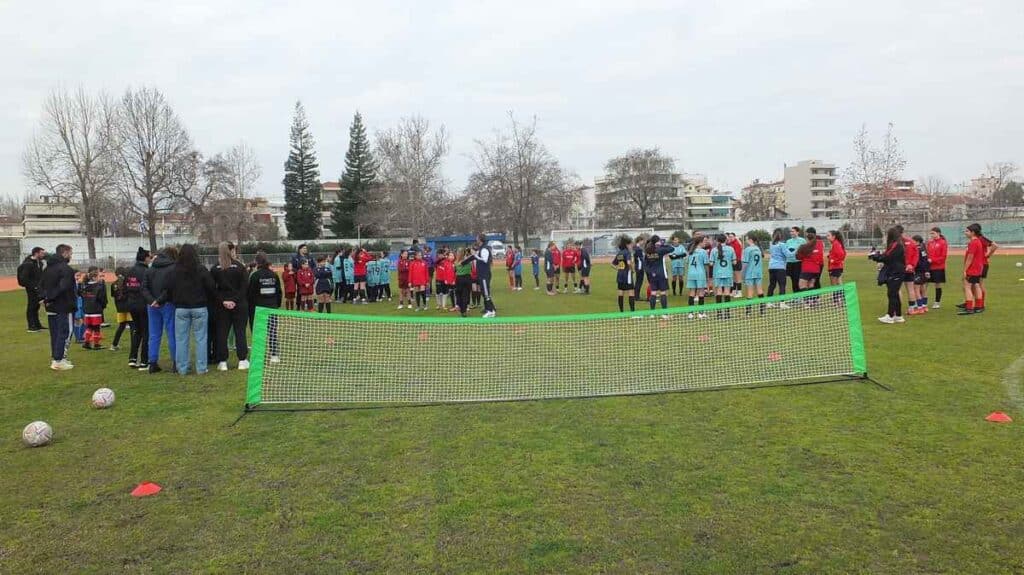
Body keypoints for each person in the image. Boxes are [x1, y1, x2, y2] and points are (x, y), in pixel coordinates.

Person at [162, 244, 218, 375]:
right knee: (201, 338)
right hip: (199, 307)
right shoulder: (201, 269)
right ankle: (201, 367)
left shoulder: (174, 270)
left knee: (181, 339)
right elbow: (211, 286)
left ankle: (182, 367)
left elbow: (167, 288)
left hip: (181, 308)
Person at [210, 241, 249, 371]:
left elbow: (212, 289)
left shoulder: (215, 268)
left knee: (222, 333)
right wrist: (235, 300)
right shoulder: (240, 267)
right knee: (240, 332)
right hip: (239, 305)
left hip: (222, 306)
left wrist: (223, 301)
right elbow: (244, 287)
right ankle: (242, 360)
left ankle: (222, 362)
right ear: (231, 251)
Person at [40, 244, 76, 370]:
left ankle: (57, 357)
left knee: (54, 333)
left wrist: (45, 299)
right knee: (65, 332)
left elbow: (41, 286)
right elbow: (64, 287)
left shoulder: (47, 269)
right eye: (70, 253)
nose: (71, 256)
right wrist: (51, 297)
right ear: (64, 253)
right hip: (64, 305)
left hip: (51, 306)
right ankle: (59, 359)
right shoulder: (66, 269)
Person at [143, 246, 178, 374]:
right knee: (172, 333)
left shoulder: (150, 269)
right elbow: (170, 288)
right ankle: (175, 361)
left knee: (154, 334)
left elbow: (144, 288)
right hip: (168, 303)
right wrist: (160, 300)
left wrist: (152, 301)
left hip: (151, 305)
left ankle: (152, 362)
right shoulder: (173, 268)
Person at [246, 253, 283, 363]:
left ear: (257, 262)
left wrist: (251, 307)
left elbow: (250, 293)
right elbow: (279, 292)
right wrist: (276, 305)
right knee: (272, 331)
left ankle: (259, 354)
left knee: (258, 332)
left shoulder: (255, 276)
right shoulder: (274, 275)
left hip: (258, 308)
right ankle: (274, 355)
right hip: (272, 307)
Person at [869, 227, 906, 324]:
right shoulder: (896, 245)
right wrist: (877, 256)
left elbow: (888, 257)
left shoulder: (896, 245)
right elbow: (887, 255)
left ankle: (890, 315)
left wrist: (876, 257)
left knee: (892, 293)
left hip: (896, 271)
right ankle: (898, 315)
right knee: (895, 293)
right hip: (896, 270)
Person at [124, 247, 152, 370]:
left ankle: (132, 358)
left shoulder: (130, 271)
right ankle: (144, 360)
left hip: (131, 304)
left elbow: (125, 287)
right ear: (145, 258)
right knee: (146, 332)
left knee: (136, 331)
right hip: (143, 304)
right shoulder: (146, 271)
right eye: (150, 257)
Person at [959, 223, 987, 315]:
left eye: (967, 231)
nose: (965, 233)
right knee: (976, 285)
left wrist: (965, 270)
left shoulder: (973, 243)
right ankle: (978, 306)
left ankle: (969, 308)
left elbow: (970, 258)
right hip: (978, 268)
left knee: (967, 286)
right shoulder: (978, 241)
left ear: (973, 232)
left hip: (972, 268)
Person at [17, 246, 46, 332]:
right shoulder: (28, 264)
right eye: (41, 253)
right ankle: (31, 325)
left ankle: (37, 324)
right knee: (32, 306)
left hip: (38, 287)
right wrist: (33, 286)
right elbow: (24, 278)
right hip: (31, 288)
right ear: (36, 253)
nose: (43, 254)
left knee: (36, 306)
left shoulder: (39, 263)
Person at [80, 266, 107, 350]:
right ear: (95, 276)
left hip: (87, 309)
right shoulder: (99, 286)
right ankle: (96, 344)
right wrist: (103, 305)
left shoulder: (84, 285)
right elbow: (102, 298)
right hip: (96, 309)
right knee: (96, 328)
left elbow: (81, 295)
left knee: (89, 327)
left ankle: (87, 342)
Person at [472, 233, 497, 318]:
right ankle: (492, 309)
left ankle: (490, 311)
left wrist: (476, 256)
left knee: (486, 293)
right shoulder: (481, 248)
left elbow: (485, 260)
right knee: (484, 292)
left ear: (480, 239)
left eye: (477, 238)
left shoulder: (484, 249)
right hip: (482, 274)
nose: (476, 240)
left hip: (484, 274)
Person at [711, 234, 736, 317]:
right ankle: (727, 313)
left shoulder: (714, 250)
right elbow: (734, 262)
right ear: (726, 240)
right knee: (727, 292)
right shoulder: (731, 249)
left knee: (718, 292)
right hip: (728, 273)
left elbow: (711, 263)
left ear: (717, 241)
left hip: (718, 273)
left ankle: (719, 313)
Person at [685, 237, 709, 319]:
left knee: (692, 292)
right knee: (701, 293)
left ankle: (690, 313)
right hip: (700, 274)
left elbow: (687, 262)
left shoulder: (691, 251)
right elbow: (706, 265)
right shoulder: (703, 252)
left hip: (691, 274)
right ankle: (700, 313)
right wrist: (707, 275)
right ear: (700, 243)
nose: (705, 243)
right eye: (704, 242)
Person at [109, 268, 132, 351]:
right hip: (129, 308)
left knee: (121, 326)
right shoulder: (128, 284)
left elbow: (113, 296)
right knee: (133, 327)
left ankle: (114, 344)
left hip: (119, 309)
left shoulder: (113, 285)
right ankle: (134, 345)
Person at [925, 227, 948, 309]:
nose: (931, 235)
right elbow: (927, 254)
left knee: (937, 284)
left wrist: (933, 260)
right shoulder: (930, 243)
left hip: (938, 267)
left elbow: (943, 256)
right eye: (931, 233)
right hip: (928, 267)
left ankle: (937, 302)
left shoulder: (943, 243)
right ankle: (924, 302)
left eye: (933, 233)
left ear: (938, 233)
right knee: (925, 284)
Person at [612, 237, 635, 312]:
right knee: (631, 292)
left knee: (620, 292)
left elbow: (612, 264)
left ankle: (621, 311)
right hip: (627, 275)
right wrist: (632, 269)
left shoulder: (619, 253)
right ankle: (633, 313)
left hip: (620, 275)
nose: (631, 246)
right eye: (630, 244)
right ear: (627, 245)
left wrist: (618, 269)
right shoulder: (627, 252)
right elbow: (628, 263)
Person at [767, 229, 788, 303]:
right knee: (782, 285)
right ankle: (782, 303)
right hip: (780, 267)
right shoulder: (782, 245)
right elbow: (787, 254)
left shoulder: (771, 244)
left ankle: (769, 302)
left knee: (772, 285)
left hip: (771, 266)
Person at [742, 235, 764, 304]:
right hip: (758, 272)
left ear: (751, 240)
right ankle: (762, 311)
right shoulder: (758, 248)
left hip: (750, 272)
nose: (746, 241)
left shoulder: (747, 249)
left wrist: (743, 274)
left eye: (746, 239)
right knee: (760, 290)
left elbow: (745, 264)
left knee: (750, 292)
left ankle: (748, 313)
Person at [454, 247, 474, 317]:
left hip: (459, 279)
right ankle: (464, 311)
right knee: (465, 295)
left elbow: (455, 271)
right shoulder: (467, 260)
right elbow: (473, 257)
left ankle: (460, 308)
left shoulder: (456, 262)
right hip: (467, 278)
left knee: (459, 294)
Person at [784, 226, 805, 293]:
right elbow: (785, 251)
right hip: (790, 263)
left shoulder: (802, 240)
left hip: (798, 263)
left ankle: (799, 296)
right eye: (791, 231)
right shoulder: (788, 241)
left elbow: (805, 251)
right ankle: (796, 296)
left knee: (797, 280)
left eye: (793, 231)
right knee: (793, 280)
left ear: (797, 232)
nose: (791, 233)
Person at [726, 232, 744, 298]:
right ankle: (734, 291)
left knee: (738, 278)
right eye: (729, 237)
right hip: (732, 262)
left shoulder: (737, 243)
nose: (730, 238)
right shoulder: (730, 244)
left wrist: (734, 260)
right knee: (733, 278)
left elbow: (737, 254)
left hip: (737, 262)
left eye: (731, 237)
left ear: (734, 237)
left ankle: (739, 292)